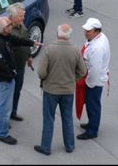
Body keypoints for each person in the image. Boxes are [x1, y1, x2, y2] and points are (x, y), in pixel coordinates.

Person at [34, 24, 87, 156]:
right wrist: (72, 79)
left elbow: (41, 72)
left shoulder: (49, 49)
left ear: (57, 34)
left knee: (48, 119)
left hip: (50, 90)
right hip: (67, 90)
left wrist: (47, 78)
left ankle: (46, 147)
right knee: (67, 118)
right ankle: (69, 146)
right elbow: (83, 71)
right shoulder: (75, 50)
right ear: (69, 35)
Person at [0, 16, 37, 145]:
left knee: (1, 103)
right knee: (5, 107)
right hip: (4, 80)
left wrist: (31, 42)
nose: (11, 27)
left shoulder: (3, 36)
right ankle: (3, 133)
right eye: (9, 26)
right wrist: (12, 76)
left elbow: (16, 40)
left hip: (4, 78)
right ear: (3, 29)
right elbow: (2, 65)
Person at [77, 17, 110, 141]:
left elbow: (94, 70)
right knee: (92, 105)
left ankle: (92, 131)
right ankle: (92, 124)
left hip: (94, 81)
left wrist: (88, 83)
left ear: (96, 31)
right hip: (95, 78)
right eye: (85, 30)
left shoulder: (97, 48)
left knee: (93, 105)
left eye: (88, 31)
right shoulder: (99, 37)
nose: (85, 33)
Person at [7, 2, 34, 122]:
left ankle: (13, 112)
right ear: (12, 17)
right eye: (21, 16)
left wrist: (29, 56)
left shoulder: (21, 25)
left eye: (23, 16)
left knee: (17, 91)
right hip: (10, 68)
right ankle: (4, 118)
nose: (23, 19)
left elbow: (26, 39)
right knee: (8, 95)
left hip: (21, 66)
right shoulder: (7, 30)